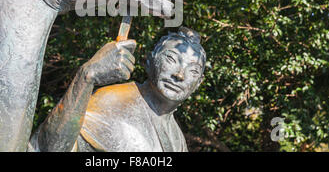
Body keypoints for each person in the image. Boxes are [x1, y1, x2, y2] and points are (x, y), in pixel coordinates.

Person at [29, 27, 206, 152]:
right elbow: (46, 148)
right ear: (150, 61)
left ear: (198, 83)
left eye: (193, 71)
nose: (180, 75)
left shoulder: (176, 136)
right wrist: (87, 76)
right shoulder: (113, 102)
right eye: (171, 60)